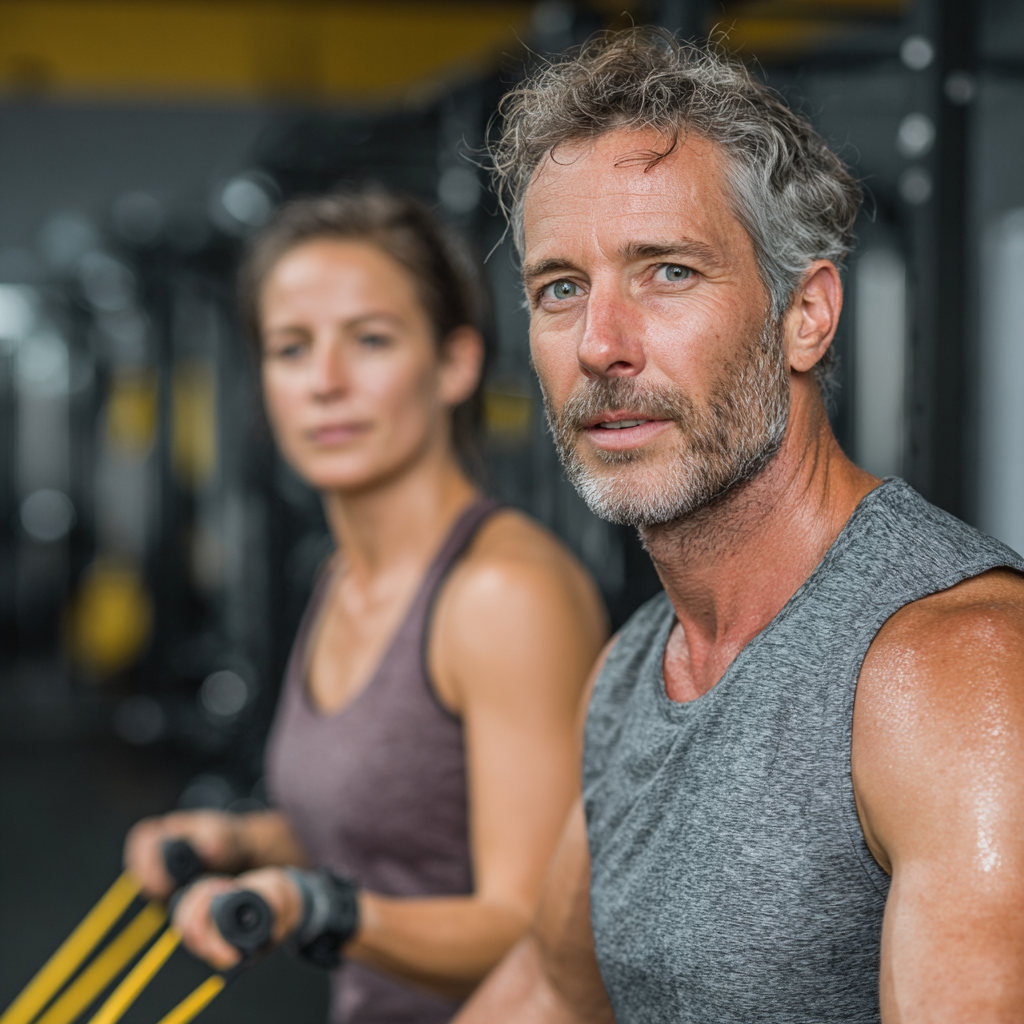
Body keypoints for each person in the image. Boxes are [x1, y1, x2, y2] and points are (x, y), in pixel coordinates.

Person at [455, 28, 1024, 1024]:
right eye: (561, 287)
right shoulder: (637, 669)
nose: (600, 343)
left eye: (667, 272)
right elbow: (552, 989)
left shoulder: (951, 676)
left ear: (804, 315)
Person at [123, 189, 608, 1023]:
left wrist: (319, 909)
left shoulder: (502, 595)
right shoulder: (342, 578)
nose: (325, 382)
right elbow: (391, 839)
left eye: (370, 340)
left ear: (455, 364)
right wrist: (241, 843)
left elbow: (542, 934)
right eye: (290, 348)